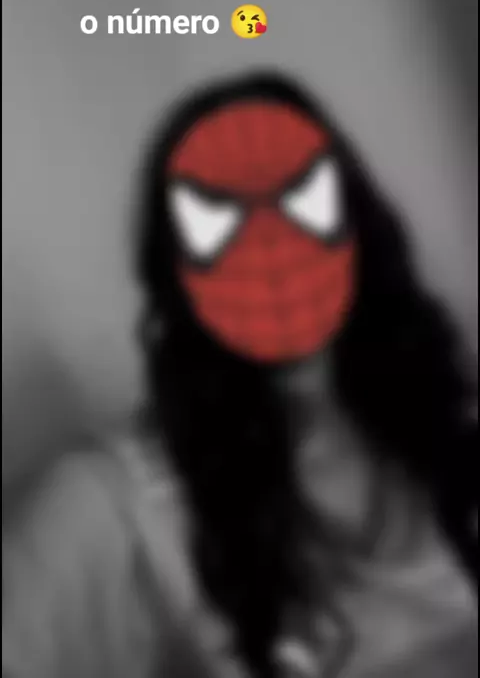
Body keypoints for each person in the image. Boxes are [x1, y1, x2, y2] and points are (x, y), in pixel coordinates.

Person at [3, 73, 477, 678]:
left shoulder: (453, 420)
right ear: (177, 281)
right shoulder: (121, 509)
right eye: (219, 227)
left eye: (303, 203)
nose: (272, 256)